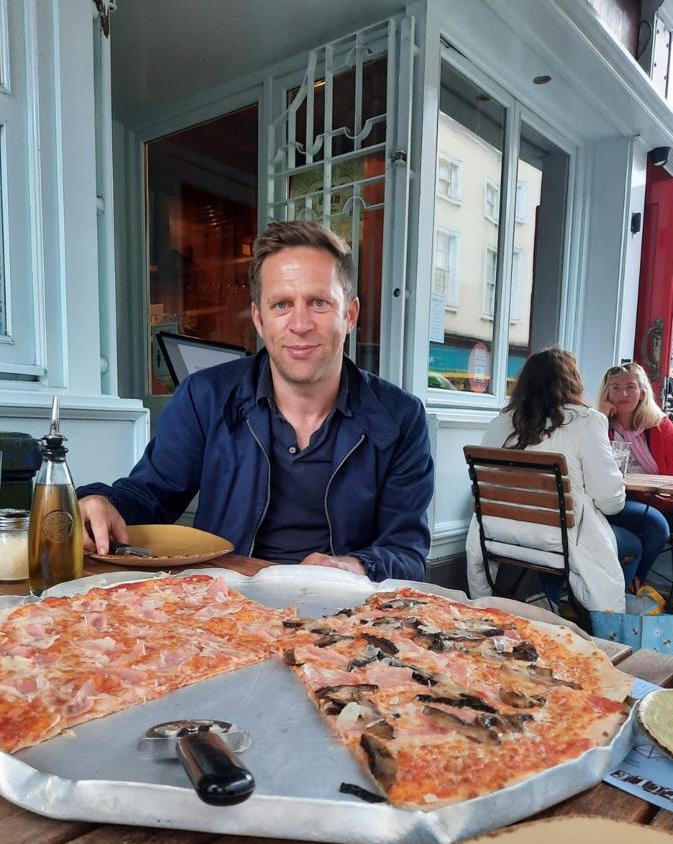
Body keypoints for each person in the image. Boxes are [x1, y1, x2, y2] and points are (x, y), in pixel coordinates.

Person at [78, 220, 434, 582]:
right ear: (259, 319)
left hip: (343, 615)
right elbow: (149, 496)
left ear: (350, 315)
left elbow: (407, 552)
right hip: (224, 604)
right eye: (281, 304)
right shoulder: (206, 397)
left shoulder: (401, 417)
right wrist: (102, 502)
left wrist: (352, 566)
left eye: (319, 302)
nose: (300, 323)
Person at [466, 348, 627, 612]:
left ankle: (549, 600)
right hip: (557, 542)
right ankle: (591, 617)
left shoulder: (501, 422)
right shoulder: (586, 421)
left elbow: (482, 490)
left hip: (501, 536)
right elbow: (611, 501)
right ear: (573, 381)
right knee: (639, 537)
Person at [598, 363, 673, 563]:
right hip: (618, 496)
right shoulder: (598, 425)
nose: (623, 393)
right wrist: (601, 418)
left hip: (659, 497)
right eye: (615, 387)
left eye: (630, 386)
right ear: (607, 394)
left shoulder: (661, 426)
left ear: (642, 393)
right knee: (656, 527)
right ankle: (637, 586)